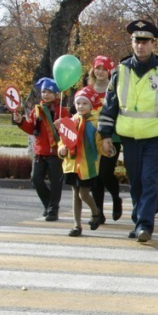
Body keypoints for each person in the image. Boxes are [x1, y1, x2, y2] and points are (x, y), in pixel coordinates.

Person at [98, 19, 158, 242]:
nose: (141, 45)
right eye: (137, 41)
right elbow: (110, 106)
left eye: (145, 41)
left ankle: (145, 225)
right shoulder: (120, 71)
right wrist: (105, 135)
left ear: (153, 44)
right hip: (129, 137)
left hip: (155, 137)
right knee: (135, 181)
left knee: (148, 180)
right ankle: (138, 220)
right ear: (132, 42)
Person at [12, 77, 70, 221]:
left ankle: (53, 209)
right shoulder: (36, 110)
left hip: (56, 152)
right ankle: (49, 204)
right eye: (44, 92)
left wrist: (62, 126)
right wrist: (20, 121)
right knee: (36, 179)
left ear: (56, 94)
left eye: (49, 92)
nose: (46, 95)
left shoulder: (62, 111)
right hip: (40, 152)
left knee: (56, 182)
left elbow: (69, 131)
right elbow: (31, 129)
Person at [58, 87, 104, 236]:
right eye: (78, 103)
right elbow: (63, 141)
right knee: (75, 194)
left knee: (83, 194)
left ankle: (95, 211)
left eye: (85, 103)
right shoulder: (71, 121)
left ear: (91, 105)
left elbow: (100, 144)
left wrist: (106, 149)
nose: (81, 106)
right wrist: (62, 149)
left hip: (87, 165)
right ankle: (76, 225)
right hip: (72, 164)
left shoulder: (95, 123)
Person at [86, 56, 124, 223]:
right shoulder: (87, 91)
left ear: (109, 71)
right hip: (91, 138)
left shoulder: (115, 89)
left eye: (104, 69)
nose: (100, 72)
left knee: (105, 174)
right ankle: (98, 213)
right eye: (98, 68)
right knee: (95, 176)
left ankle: (116, 198)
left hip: (111, 137)